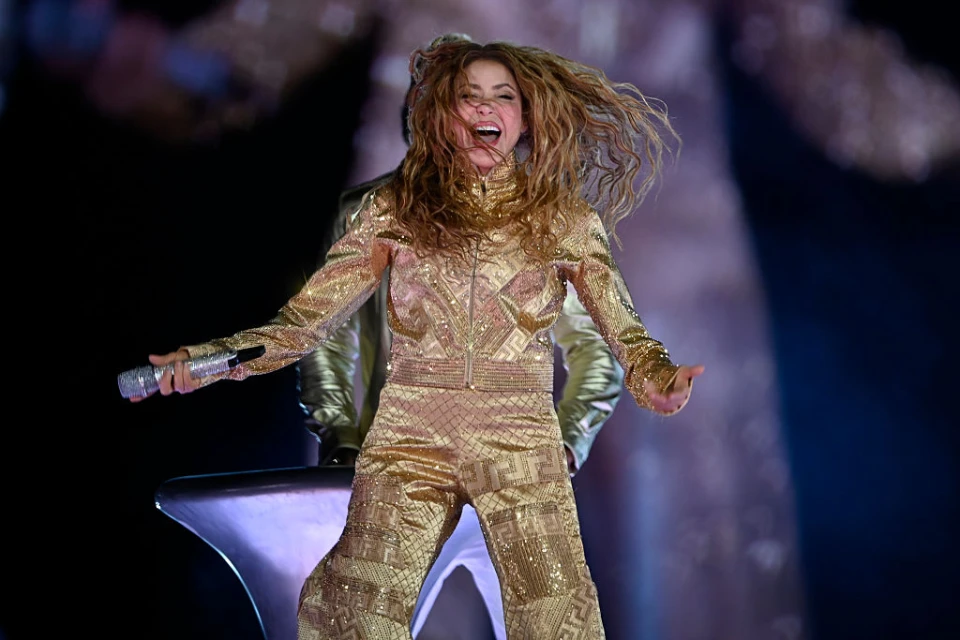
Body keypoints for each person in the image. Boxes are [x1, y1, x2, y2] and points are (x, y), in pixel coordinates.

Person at [130, 38, 705, 639]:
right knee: (349, 615)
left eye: (503, 96)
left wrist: (657, 379)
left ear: (526, 118)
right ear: (442, 117)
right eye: (468, 96)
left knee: (560, 622)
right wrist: (203, 362)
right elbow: (304, 325)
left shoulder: (564, 220)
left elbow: (622, 330)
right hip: (411, 437)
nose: (485, 107)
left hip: (520, 439)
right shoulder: (395, 210)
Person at [296, 32, 627, 639]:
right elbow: (324, 335)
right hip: (395, 478)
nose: (473, 115)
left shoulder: (540, 222)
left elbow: (594, 349)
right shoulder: (373, 211)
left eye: (492, 100)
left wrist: (564, 445)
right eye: (454, 101)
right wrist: (341, 439)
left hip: (512, 473)